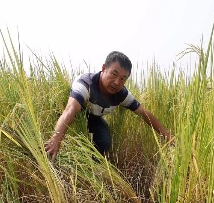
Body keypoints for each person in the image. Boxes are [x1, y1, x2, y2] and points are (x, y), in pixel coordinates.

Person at [45, 51, 173, 162]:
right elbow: (70, 109)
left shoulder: (122, 94)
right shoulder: (85, 84)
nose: (117, 82)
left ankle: (92, 167)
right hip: (73, 112)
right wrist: (55, 140)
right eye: (114, 74)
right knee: (63, 126)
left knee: (104, 140)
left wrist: (167, 136)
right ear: (104, 68)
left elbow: (143, 113)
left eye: (123, 79)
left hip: (93, 117)